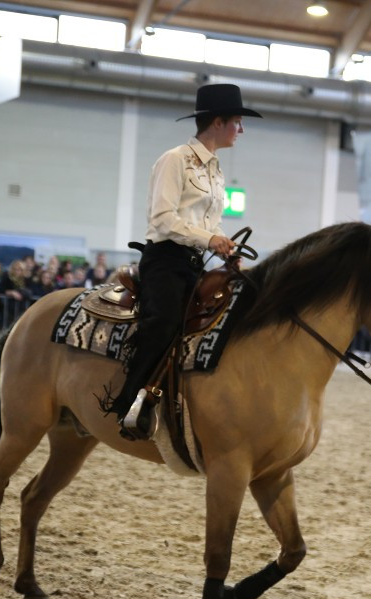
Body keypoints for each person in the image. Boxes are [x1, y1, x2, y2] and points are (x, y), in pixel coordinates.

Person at [108, 83, 260, 439]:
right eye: (237, 122)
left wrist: (224, 245)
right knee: (164, 321)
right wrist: (211, 239)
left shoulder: (216, 170)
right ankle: (128, 404)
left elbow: (208, 221)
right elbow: (163, 219)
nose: (241, 130)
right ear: (218, 122)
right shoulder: (175, 160)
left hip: (194, 261)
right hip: (164, 259)